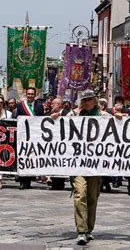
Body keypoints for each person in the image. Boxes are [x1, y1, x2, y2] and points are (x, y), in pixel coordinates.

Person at [71, 90, 104, 246]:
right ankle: (81, 230)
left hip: (95, 165)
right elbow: (58, 128)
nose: (86, 102)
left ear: (95, 101)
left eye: (89, 99)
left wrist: (119, 120)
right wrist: (54, 118)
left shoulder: (104, 117)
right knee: (80, 193)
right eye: (83, 100)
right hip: (78, 164)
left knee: (92, 196)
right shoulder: (74, 116)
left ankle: (89, 228)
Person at [16, 87, 44, 189]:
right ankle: (23, 182)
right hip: (23, 137)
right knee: (23, 158)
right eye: (28, 94)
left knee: (31, 159)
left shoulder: (40, 106)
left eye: (32, 94)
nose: (30, 96)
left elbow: (42, 121)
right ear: (26, 94)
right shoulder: (20, 106)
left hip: (34, 137)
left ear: (35, 95)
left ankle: (29, 181)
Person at [48, 97, 70, 190]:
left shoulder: (67, 114)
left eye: (54, 103)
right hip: (53, 143)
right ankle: (55, 182)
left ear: (60, 105)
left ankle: (60, 183)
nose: (52, 105)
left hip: (64, 143)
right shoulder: (49, 114)